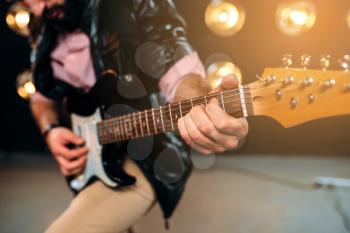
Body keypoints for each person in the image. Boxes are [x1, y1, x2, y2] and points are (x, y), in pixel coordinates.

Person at [21, 0, 249, 232]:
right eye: (27, 2)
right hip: (93, 157)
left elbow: (177, 66)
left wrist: (201, 103)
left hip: (148, 152)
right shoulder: (45, 23)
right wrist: (51, 130)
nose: (39, 8)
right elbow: (42, 98)